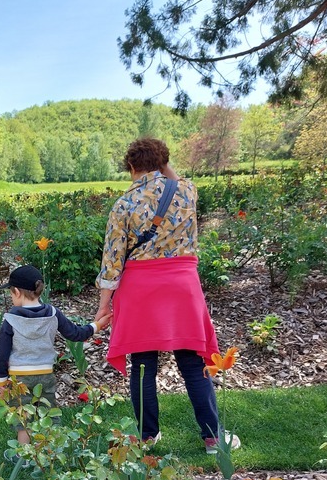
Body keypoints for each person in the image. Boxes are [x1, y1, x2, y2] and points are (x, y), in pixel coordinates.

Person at [94, 137, 240, 453]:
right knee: (192, 361)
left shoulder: (123, 205)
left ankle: (147, 437)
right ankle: (214, 437)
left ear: (130, 166)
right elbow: (174, 179)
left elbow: (112, 261)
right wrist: (163, 163)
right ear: (162, 163)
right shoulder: (185, 191)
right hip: (181, 288)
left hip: (139, 291)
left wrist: (103, 308)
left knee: (143, 365)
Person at [0, 264, 107, 450]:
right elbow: (76, 334)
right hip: (45, 375)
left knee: (23, 418)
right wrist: (97, 325)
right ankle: (49, 453)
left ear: (16, 292)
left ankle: (25, 456)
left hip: (18, 379)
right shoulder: (53, 314)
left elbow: (2, 355)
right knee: (47, 413)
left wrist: (1, 383)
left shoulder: (10, 320)